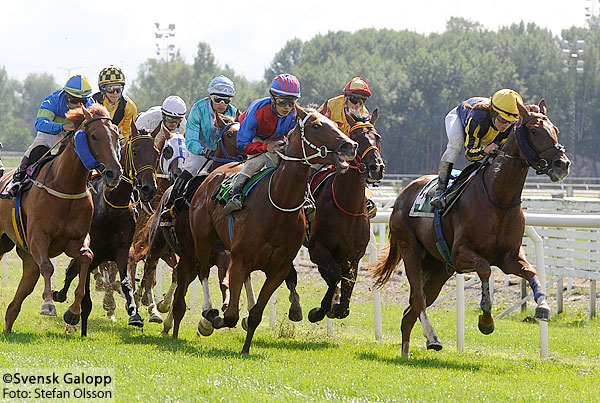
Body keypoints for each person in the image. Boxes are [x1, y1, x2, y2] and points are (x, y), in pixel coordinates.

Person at [160, 76, 238, 222]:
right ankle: (171, 205)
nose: (222, 104)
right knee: (192, 167)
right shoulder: (198, 109)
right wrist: (203, 151)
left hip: (224, 154)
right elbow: (190, 140)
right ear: (210, 97)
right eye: (218, 99)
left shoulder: (234, 113)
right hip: (200, 151)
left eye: (226, 100)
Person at [221, 73, 301, 216]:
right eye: (282, 101)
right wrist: (266, 147)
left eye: (292, 102)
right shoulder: (257, 111)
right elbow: (242, 146)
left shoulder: (295, 113)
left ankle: (305, 196)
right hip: (254, 136)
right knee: (260, 159)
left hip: (278, 138)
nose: (287, 107)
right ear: (273, 98)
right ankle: (235, 194)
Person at [430, 88, 523, 209]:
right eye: (502, 120)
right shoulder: (477, 118)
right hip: (459, 118)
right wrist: (485, 150)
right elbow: (470, 154)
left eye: (510, 122)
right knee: (455, 146)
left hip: (486, 127)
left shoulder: (511, 126)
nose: (505, 125)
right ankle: (440, 191)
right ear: (493, 113)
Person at [7, 74, 95, 196]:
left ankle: (92, 180)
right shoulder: (52, 101)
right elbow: (40, 124)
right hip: (53, 134)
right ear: (66, 96)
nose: (79, 105)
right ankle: (18, 177)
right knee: (40, 143)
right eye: (74, 101)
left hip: (74, 136)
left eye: (84, 101)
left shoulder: (91, 104)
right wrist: (62, 127)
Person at [319, 77, 377, 218]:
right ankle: (306, 200)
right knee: (311, 169)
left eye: (362, 101)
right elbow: (317, 130)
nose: (357, 105)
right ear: (346, 97)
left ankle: (365, 199)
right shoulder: (331, 105)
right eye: (354, 99)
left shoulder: (365, 114)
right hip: (325, 152)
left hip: (348, 156)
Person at [92, 66, 137, 138]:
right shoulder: (93, 102)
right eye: (111, 89)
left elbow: (126, 134)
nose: (115, 93)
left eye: (118, 89)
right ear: (103, 90)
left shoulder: (130, 107)